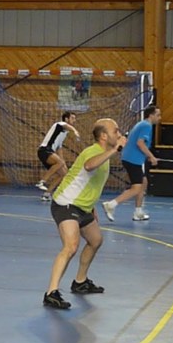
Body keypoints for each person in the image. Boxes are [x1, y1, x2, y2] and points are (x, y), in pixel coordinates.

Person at [43, 118, 128, 310]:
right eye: (115, 131)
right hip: (66, 203)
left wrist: (92, 207)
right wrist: (116, 149)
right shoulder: (93, 151)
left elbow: (90, 183)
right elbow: (89, 166)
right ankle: (51, 293)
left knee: (95, 240)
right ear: (104, 136)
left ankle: (80, 282)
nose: (119, 134)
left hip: (83, 207)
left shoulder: (104, 154)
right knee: (71, 247)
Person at [102, 105, 161, 223]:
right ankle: (111, 204)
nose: (160, 118)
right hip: (132, 160)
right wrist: (151, 156)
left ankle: (138, 212)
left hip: (131, 158)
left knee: (143, 182)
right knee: (136, 188)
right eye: (158, 115)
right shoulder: (146, 126)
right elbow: (140, 143)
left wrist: (147, 156)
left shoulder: (142, 124)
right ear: (151, 115)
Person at [36, 111, 80, 200]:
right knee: (60, 162)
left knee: (63, 174)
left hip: (50, 152)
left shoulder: (64, 132)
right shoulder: (59, 124)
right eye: (72, 118)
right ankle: (42, 181)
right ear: (66, 119)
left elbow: (59, 147)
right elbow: (66, 126)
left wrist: (63, 162)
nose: (74, 120)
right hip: (44, 150)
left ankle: (47, 194)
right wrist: (75, 131)